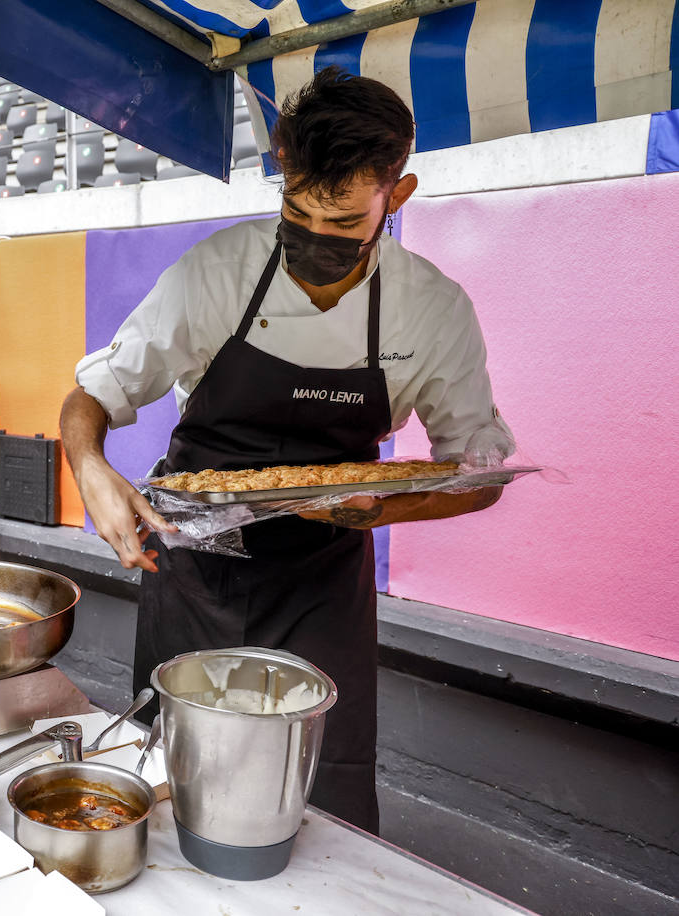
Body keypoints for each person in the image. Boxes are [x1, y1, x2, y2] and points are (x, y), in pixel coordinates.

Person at [59, 68, 515, 835]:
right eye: (295, 211)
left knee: (319, 790)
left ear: (394, 198)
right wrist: (92, 469)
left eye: (341, 222)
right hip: (196, 567)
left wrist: (395, 504)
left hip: (321, 581)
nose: (312, 239)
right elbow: (92, 398)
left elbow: (482, 470)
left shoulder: (432, 312)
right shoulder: (217, 273)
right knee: (174, 779)